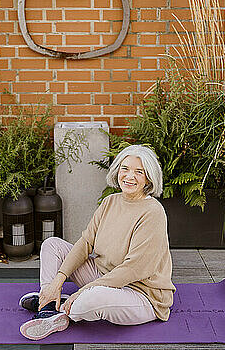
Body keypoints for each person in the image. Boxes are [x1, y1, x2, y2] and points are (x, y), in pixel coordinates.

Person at [19, 144, 176, 340]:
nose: (129, 176)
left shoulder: (153, 212)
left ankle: (64, 312)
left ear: (148, 179)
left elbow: (133, 269)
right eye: (125, 169)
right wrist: (57, 282)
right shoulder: (110, 201)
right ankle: (49, 303)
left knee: (93, 298)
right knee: (52, 245)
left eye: (139, 172)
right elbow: (85, 243)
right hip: (103, 275)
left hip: (140, 293)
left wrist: (85, 290)